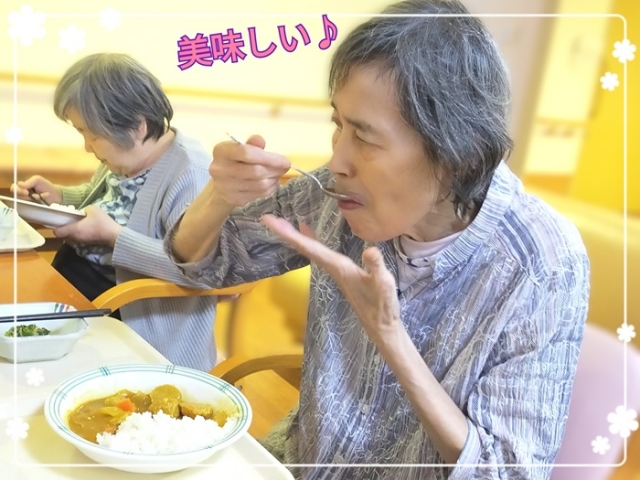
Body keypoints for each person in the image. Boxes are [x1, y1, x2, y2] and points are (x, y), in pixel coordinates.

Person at [167, 0, 590, 478]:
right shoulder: (338, 193)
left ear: (457, 153)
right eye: (338, 125)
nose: (337, 160)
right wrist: (219, 197)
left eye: (365, 137)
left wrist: (390, 337)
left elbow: (507, 471)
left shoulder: (542, 263)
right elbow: (204, 264)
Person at [11, 53, 218, 371]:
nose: (87, 146)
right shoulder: (126, 155)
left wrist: (113, 237)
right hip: (78, 293)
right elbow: (109, 201)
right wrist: (59, 196)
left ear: (137, 126)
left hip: (133, 316)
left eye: (91, 134)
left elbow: (201, 270)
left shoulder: (191, 174)